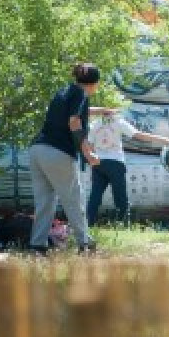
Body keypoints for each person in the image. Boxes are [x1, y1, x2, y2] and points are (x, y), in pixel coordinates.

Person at [28, 62, 102, 253]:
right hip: (58, 152)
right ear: (94, 83)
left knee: (44, 202)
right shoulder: (81, 95)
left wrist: (102, 110)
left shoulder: (64, 91)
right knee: (73, 199)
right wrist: (87, 153)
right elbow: (74, 121)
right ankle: (84, 243)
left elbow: (69, 114)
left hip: (37, 150)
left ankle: (38, 246)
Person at [85, 104, 169, 226]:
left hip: (98, 162)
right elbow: (139, 135)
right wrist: (163, 140)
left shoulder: (95, 124)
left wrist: (92, 158)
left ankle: (88, 223)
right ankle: (123, 223)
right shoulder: (118, 122)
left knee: (95, 194)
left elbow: (88, 144)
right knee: (120, 196)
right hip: (116, 162)